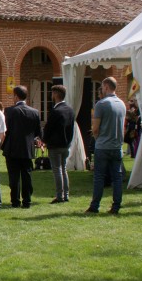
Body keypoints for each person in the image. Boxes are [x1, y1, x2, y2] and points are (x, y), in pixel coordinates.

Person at [85, 77, 126, 214]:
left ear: (106, 87)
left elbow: (95, 128)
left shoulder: (101, 104)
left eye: (102, 87)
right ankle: (116, 206)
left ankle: (95, 206)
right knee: (117, 177)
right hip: (117, 145)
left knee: (99, 177)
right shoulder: (122, 104)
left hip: (103, 146)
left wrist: (97, 139)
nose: (101, 89)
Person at [2, 85, 42, 208]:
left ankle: (15, 201)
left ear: (16, 96)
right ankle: (27, 200)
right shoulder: (35, 112)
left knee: (13, 176)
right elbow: (38, 133)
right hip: (27, 148)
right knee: (27, 175)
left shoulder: (9, 111)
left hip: (12, 147)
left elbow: (5, 130)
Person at [42, 84, 75, 203]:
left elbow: (48, 128)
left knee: (57, 170)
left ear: (56, 94)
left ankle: (60, 196)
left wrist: (44, 140)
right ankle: (66, 194)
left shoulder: (56, 111)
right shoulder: (70, 110)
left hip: (55, 145)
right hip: (65, 144)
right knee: (63, 169)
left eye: (52, 93)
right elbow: (72, 129)